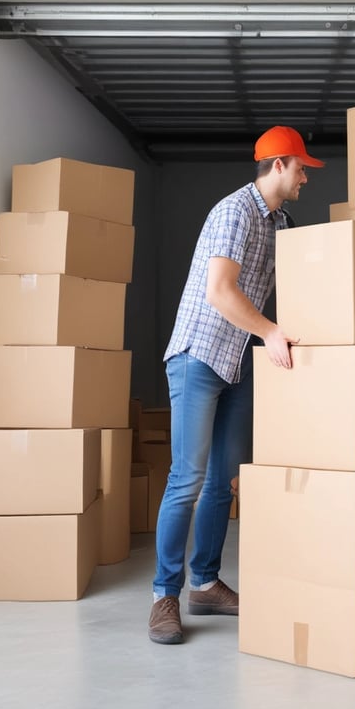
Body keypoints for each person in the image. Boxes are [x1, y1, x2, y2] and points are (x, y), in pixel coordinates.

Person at [148, 126, 325, 644]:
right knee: (189, 479)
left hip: (237, 364)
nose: (304, 179)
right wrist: (270, 332)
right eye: (300, 169)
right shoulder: (235, 212)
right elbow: (220, 292)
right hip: (200, 356)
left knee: (225, 481)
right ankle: (164, 594)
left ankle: (204, 584)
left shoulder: (281, 222)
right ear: (278, 165)